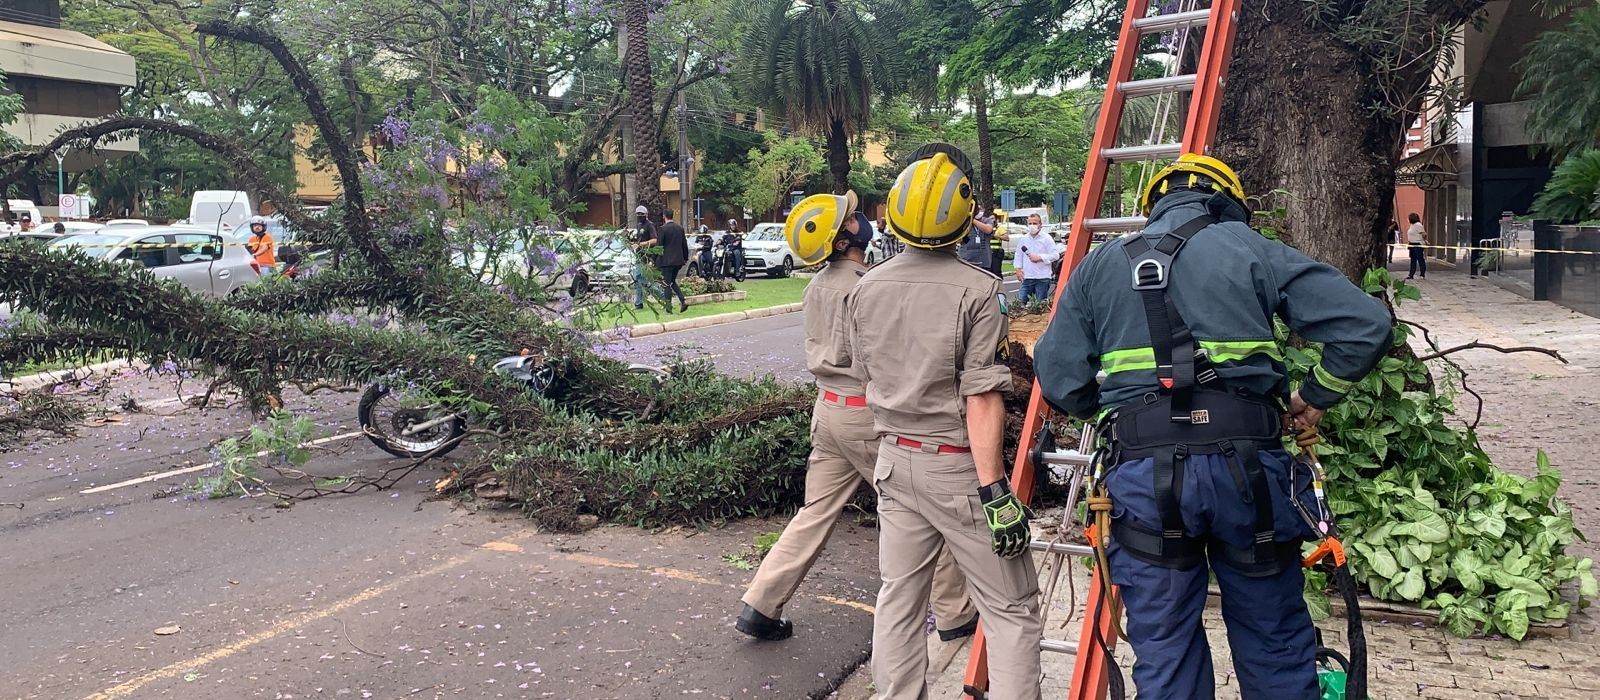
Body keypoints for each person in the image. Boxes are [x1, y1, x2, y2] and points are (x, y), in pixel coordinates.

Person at [1033, 153, 1392, 700]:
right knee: (1274, 639)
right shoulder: (1253, 250)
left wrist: (1115, 414)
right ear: (1229, 205)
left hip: (1144, 481)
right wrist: (1312, 399)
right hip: (1248, 474)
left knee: (1166, 648)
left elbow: (1059, 379)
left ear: (1152, 207)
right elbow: (1366, 327)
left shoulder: (1100, 265)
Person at [839, 143, 1043, 700]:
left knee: (900, 597)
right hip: (958, 469)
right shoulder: (979, 291)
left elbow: (862, 372)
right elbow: (981, 398)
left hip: (893, 464)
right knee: (1011, 607)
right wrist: (996, 491)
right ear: (964, 217)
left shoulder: (865, 288)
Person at [736, 189, 979, 644]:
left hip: (827, 412)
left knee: (815, 513)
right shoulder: (865, 287)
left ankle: (761, 602)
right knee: (929, 506)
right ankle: (954, 614)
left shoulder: (817, 287)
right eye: (854, 217)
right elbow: (879, 360)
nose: (862, 219)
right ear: (847, 234)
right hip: (864, 417)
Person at [1013, 212, 1061, 304]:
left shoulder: (1046, 238)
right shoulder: (1024, 239)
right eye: (1030, 223)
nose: (1032, 226)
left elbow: (1055, 255)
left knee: (1041, 304)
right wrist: (1018, 270)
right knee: (1020, 303)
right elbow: (1018, 255)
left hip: (1042, 277)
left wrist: (1040, 257)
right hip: (1027, 277)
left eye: (1035, 223)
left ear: (1040, 225)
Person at [656, 208, 691, 312]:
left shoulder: (662, 229)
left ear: (664, 216)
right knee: (672, 282)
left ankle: (668, 309)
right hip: (678, 261)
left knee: (666, 284)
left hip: (666, 261)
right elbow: (684, 245)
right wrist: (685, 258)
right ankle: (683, 300)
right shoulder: (680, 228)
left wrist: (653, 259)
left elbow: (659, 246)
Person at [630, 205, 660, 310]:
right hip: (639, 256)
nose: (639, 216)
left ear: (646, 214)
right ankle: (639, 303)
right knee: (640, 281)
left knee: (640, 280)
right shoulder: (639, 225)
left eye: (641, 214)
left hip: (646, 257)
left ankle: (662, 296)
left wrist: (641, 244)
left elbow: (654, 240)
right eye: (638, 214)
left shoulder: (650, 225)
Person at [986, 208, 1008, 277]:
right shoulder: (985, 228)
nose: (991, 220)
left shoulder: (999, 228)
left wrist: (998, 236)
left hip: (996, 253)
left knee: (996, 271)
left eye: (993, 218)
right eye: (990, 219)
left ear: (996, 219)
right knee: (988, 272)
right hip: (987, 253)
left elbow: (1007, 238)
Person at [1406, 212, 1427, 279]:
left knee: (1420, 259)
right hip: (1411, 244)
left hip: (1417, 244)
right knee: (1413, 260)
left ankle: (1422, 274)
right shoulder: (1412, 225)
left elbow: (1424, 234)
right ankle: (1411, 274)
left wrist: (1425, 240)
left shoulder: (1418, 225)